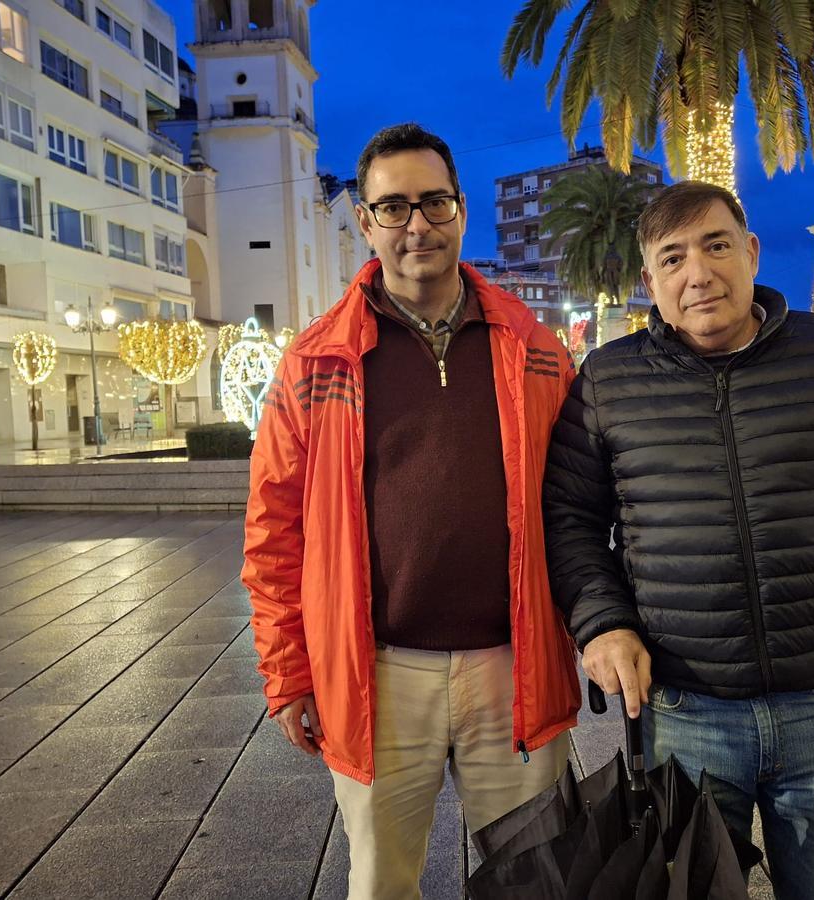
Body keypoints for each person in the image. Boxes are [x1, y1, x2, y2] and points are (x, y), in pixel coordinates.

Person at [543, 180, 814, 899]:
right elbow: (569, 520)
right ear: (650, 280)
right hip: (685, 713)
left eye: (716, 245)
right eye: (672, 257)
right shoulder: (610, 380)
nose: (698, 273)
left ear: (750, 251)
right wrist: (602, 626)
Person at [242, 123, 580, 900]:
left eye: (434, 203)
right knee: (382, 883)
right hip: (378, 673)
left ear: (462, 211)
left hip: (513, 666)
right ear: (365, 222)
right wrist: (289, 671)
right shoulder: (316, 360)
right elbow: (272, 534)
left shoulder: (534, 349)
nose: (416, 224)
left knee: (532, 881)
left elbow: (579, 501)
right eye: (393, 207)